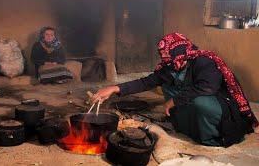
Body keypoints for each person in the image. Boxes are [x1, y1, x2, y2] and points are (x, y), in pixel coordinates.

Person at [91, 33, 258, 147]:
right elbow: (146, 82)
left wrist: (174, 101)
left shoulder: (204, 61)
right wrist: (114, 88)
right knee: (169, 86)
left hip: (220, 106)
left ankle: (213, 139)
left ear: (178, 50)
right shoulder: (172, 65)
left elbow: (207, 87)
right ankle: (187, 128)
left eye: (166, 54)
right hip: (195, 98)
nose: (164, 58)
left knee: (198, 101)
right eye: (162, 55)